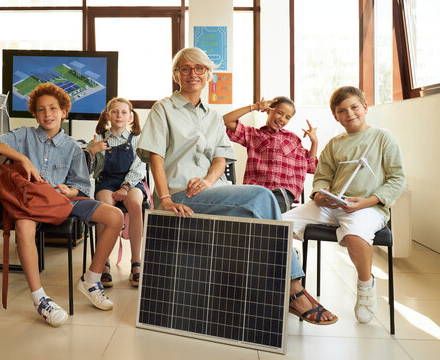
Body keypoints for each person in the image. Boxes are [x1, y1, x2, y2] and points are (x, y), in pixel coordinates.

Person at [137, 47, 337, 325]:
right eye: (185, 69)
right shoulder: (164, 109)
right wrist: (166, 199)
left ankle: (258, 301)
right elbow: (155, 156)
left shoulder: (211, 116)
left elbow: (221, 158)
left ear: (208, 75)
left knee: (265, 224)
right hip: (180, 195)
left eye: (199, 69)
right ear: (175, 75)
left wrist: (208, 180)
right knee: (262, 196)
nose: (192, 74)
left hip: (211, 192)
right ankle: (293, 290)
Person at [0, 83, 123, 327]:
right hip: (31, 203)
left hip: (63, 202)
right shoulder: (24, 135)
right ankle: (40, 298)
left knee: (114, 217)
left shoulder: (72, 146)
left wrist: (69, 191)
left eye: (53, 108)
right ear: (34, 114)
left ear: (63, 112)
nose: (47, 114)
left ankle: (91, 279)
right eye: (40, 110)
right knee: (24, 229)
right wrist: (22, 158)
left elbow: (82, 187)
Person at [283, 86, 406, 324]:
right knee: (277, 224)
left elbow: (397, 179)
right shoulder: (334, 144)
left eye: (354, 107)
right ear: (335, 116)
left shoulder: (383, 137)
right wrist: (319, 195)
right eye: (342, 110)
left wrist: (368, 201)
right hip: (333, 205)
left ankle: (365, 285)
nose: (349, 113)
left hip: (368, 207)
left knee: (355, 235)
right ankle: (292, 284)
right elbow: (321, 178)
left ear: (365, 108)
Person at [86, 97, 146, 288]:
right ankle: (103, 262)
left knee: (135, 204)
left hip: (131, 182)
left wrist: (125, 187)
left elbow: (140, 168)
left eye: (123, 112)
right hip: (106, 182)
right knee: (105, 208)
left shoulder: (138, 139)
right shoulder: (97, 140)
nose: (119, 115)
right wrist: (92, 153)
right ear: (107, 115)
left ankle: (136, 262)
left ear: (130, 117)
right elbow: (90, 172)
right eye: (114, 111)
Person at [223, 96, 318, 213]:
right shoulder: (254, 134)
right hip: (255, 191)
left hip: (281, 192)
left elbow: (312, 166)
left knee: (271, 223)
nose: (282, 119)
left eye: (287, 117)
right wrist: (255, 107)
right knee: (247, 220)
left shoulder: (293, 139)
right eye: (280, 113)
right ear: (268, 110)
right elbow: (226, 120)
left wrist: (314, 142)